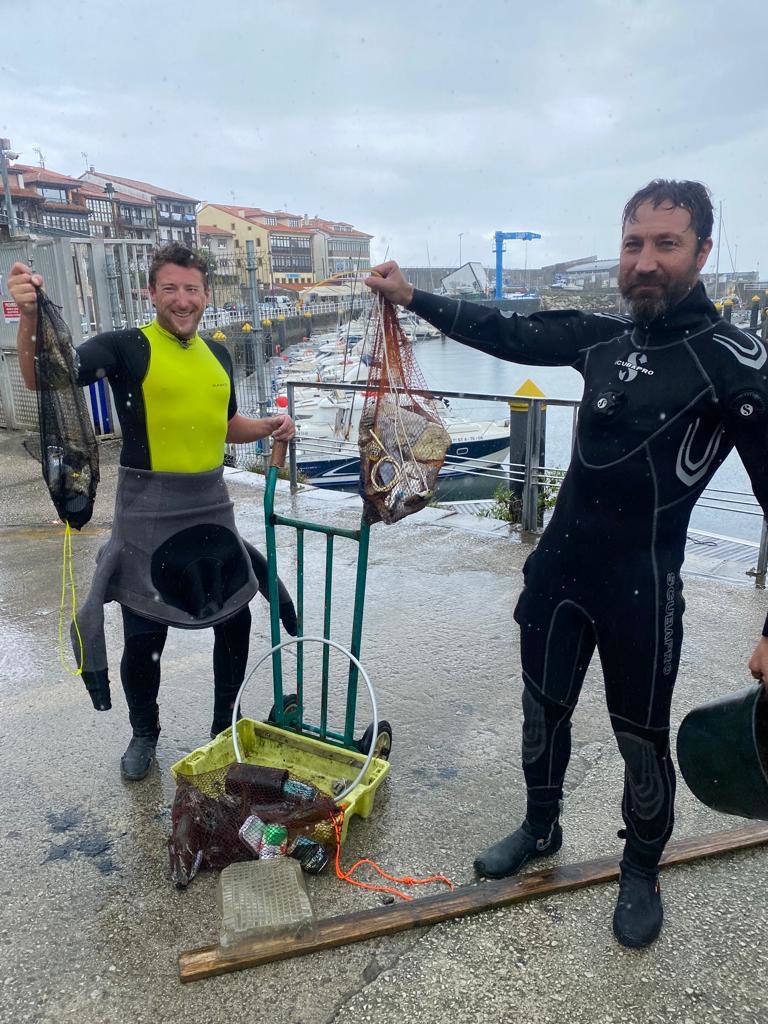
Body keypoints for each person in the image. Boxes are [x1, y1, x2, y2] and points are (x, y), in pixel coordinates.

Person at [365, 179, 768, 949]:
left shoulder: (734, 362)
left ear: (703, 252)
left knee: (638, 741)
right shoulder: (602, 336)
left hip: (642, 589)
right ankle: (540, 827)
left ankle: (640, 869)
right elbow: (508, 332)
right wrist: (412, 294)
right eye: (633, 244)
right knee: (540, 711)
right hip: (558, 573)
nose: (645, 262)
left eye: (666, 244)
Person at [8, 244, 295, 782]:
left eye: (191, 289)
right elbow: (45, 379)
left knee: (236, 620)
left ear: (206, 295)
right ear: (151, 292)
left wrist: (268, 427)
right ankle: (145, 733)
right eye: (170, 289)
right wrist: (28, 317)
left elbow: (224, 423)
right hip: (148, 513)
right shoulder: (124, 348)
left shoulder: (219, 355)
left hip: (211, 507)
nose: (182, 300)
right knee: (144, 636)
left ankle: (220, 731)